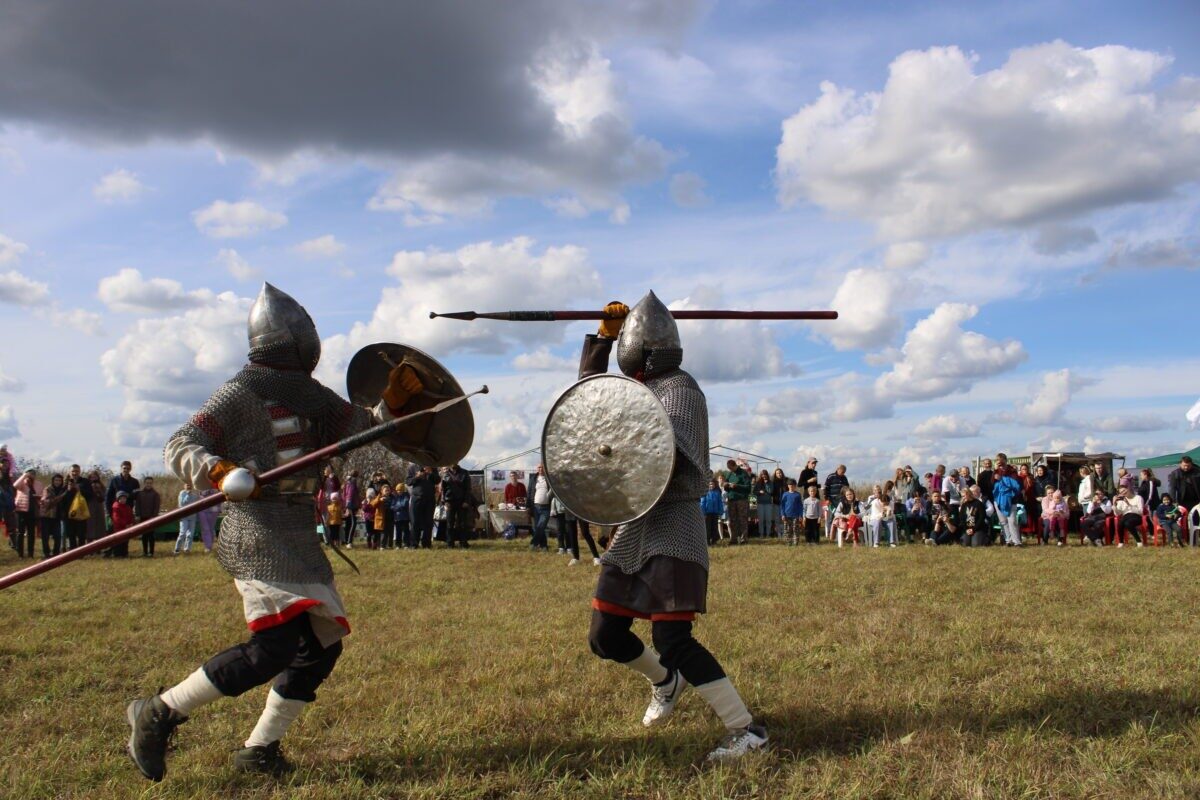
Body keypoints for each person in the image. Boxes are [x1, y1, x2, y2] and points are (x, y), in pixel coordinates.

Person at [126, 283, 426, 780]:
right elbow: (180, 444)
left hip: (298, 532)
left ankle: (259, 750)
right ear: (294, 342)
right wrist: (217, 469)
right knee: (274, 648)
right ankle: (157, 712)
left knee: (320, 649)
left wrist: (390, 404)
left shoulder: (311, 397)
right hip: (258, 531)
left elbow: (359, 429)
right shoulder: (240, 393)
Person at [579, 295, 767, 761]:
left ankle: (747, 731)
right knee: (605, 636)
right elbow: (587, 404)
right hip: (635, 527)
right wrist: (601, 341)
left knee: (672, 639)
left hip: (674, 523)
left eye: (624, 342)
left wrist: (627, 434)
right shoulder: (635, 391)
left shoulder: (681, 389)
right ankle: (666, 681)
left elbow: (669, 456)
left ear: (644, 350)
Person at [65, 464, 98, 551]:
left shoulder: (85, 482)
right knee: (71, 534)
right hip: (69, 512)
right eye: (73, 471)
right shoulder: (66, 482)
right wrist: (68, 490)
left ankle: (81, 552)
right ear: (69, 472)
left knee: (81, 534)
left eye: (76, 471)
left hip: (81, 512)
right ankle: (72, 552)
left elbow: (91, 495)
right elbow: (62, 497)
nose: (74, 473)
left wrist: (79, 489)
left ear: (80, 472)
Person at [992, 454, 1022, 547]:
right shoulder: (995, 472)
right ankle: (1008, 540)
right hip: (998, 500)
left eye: (1001, 461)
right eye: (998, 461)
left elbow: (1016, 485)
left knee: (1012, 521)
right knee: (1003, 521)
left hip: (1011, 499)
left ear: (1005, 460)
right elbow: (991, 484)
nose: (1000, 463)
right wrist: (996, 471)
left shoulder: (1012, 471)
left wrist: (1002, 476)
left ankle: (1017, 542)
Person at [408, 465, 440, 549]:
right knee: (415, 522)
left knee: (428, 522)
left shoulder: (433, 467)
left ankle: (426, 544)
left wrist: (430, 472)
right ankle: (414, 544)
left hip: (430, 499)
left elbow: (438, 480)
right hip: (416, 498)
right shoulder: (413, 467)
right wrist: (417, 477)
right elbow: (408, 482)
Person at [442, 463, 473, 549]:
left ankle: (463, 543)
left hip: (461, 501)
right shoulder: (446, 474)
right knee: (450, 524)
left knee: (462, 523)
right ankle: (450, 544)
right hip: (449, 501)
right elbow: (443, 489)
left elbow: (468, 488)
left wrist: (466, 501)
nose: (453, 464)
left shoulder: (464, 473)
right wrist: (444, 502)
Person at [39, 473, 67, 558]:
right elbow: (47, 502)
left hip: (57, 516)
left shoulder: (63, 490)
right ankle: (46, 553)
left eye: (59, 480)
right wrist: (61, 497)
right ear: (53, 481)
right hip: (47, 516)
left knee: (57, 536)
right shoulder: (48, 489)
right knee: (45, 536)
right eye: (56, 480)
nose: (57, 482)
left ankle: (56, 553)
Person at [13, 468, 40, 558]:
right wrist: (24, 475)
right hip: (21, 510)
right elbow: (15, 485)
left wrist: (39, 497)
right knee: (20, 533)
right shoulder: (22, 483)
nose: (31, 475)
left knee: (31, 533)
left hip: (32, 511)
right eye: (30, 473)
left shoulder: (38, 484)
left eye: (33, 474)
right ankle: (20, 554)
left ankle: (30, 554)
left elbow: (42, 494)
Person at [723, 460, 751, 545]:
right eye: (729, 468)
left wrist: (736, 486)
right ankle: (733, 539)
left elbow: (748, 487)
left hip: (741, 500)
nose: (730, 470)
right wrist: (725, 486)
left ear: (735, 465)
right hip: (731, 499)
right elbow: (726, 487)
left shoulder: (743, 473)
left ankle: (744, 539)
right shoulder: (729, 474)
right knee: (732, 520)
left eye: (731, 468)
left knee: (742, 519)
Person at [135, 476, 162, 557]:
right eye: (147, 483)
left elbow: (156, 507)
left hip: (151, 518)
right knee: (144, 535)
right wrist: (137, 515)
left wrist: (154, 517)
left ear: (152, 484)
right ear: (144, 483)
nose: (148, 484)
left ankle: (151, 552)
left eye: (150, 483)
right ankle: (145, 552)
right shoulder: (140, 493)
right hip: (142, 517)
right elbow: (137, 505)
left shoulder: (155, 494)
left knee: (151, 535)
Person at [529, 463, 552, 551]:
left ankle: (533, 544)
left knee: (541, 526)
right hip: (536, 506)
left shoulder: (549, 478)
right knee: (538, 527)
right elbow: (529, 492)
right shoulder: (533, 479)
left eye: (542, 467)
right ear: (537, 468)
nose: (540, 469)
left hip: (546, 507)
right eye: (539, 467)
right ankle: (544, 546)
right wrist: (528, 506)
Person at [175, 482, 200, 555]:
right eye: (187, 485)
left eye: (190, 485)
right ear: (184, 486)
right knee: (182, 533)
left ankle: (187, 549)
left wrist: (197, 517)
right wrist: (188, 495)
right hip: (184, 517)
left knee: (190, 535)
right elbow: (182, 504)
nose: (189, 486)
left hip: (192, 517)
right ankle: (177, 549)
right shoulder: (182, 493)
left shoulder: (195, 495)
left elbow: (197, 506)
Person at [700, 479, 724, 546]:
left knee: (714, 527)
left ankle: (714, 541)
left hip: (715, 513)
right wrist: (703, 513)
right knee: (708, 527)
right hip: (707, 513)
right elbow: (702, 503)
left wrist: (720, 512)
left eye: (712, 484)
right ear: (707, 485)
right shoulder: (705, 492)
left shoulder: (717, 493)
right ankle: (707, 541)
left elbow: (720, 503)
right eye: (710, 484)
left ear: (715, 485)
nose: (711, 485)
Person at [86, 471, 107, 543]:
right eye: (92, 477)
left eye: (95, 476)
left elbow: (104, 496)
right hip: (90, 506)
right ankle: (89, 543)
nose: (93, 478)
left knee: (99, 526)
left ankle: (99, 543)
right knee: (90, 526)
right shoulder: (87, 485)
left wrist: (99, 489)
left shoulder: (101, 485)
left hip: (99, 506)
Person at [779, 480, 802, 546]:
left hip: (796, 515)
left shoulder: (798, 494)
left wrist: (800, 515)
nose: (791, 486)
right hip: (786, 515)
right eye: (790, 485)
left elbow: (800, 506)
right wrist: (782, 514)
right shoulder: (785, 494)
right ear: (788, 486)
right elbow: (782, 505)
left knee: (795, 529)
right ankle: (788, 542)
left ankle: (795, 542)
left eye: (793, 485)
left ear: (795, 486)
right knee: (787, 529)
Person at [341, 471, 361, 547]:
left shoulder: (347, 482)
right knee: (353, 523)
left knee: (349, 523)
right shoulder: (353, 481)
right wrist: (349, 504)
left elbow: (345, 494)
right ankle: (349, 542)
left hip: (349, 504)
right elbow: (351, 493)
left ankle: (347, 540)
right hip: (352, 504)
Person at [753, 470, 774, 539]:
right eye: (762, 475)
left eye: (765, 474)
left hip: (768, 503)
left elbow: (770, 491)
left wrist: (767, 484)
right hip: (760, 503)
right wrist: (759, 492)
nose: (764, 476)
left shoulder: (770, 483)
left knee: (768, 520)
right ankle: (761, 534)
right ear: (761, 475)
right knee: (761, 520)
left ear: (767, 475)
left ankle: (768, 534)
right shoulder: (758, 483)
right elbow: (754, 492)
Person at [391, 482, 411, 549]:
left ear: (403, 490)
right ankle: (398, 545)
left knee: (406, 531)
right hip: (397, 518)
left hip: (405, 517)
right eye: (397, 490)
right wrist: (397, 508)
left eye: (400, 490)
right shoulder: (395, 497)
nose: (399, 491)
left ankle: (406, 544)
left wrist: (397, 507)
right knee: (398, 532)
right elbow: (392, 506)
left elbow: (405, 504)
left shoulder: (406, 496)